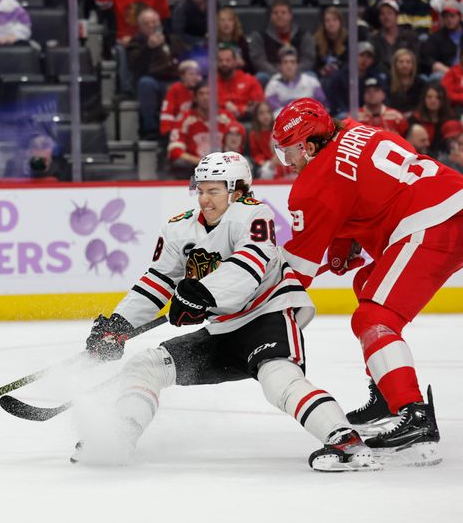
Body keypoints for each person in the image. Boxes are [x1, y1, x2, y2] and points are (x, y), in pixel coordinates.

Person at [71, 152, 378, 472]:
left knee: (278, 378)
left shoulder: (255, 215)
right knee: (145, 366)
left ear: (238, 191)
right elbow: (158, 281)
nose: (204, 198)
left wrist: (201, 295)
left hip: (266, 317)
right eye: (200, 189)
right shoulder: (179, 228)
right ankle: (120, 439)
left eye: (214, 190)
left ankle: (346, 441)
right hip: (220, 331)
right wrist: (119, 324)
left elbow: (248, 267)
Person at [272, 97, 463, 465]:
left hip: (431, 223)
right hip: (449, 198)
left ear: (310, 147)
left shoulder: (313, 184)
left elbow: (296, 275)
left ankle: (414, 413)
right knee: (367, 281)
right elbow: (358, 185)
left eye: (290, 153)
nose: (288, 162)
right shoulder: (353, 128)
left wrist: (249, 299)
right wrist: (345, 241)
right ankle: (386, 395)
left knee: (373, 318)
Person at [126, 7, 183, 139]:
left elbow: (184, 58)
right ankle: (150, 128)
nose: (152, 26)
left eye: (154, 22)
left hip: (174, 77)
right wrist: (149, 48)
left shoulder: (172, 40)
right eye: (147, 23)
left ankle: (183, 126)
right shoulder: (135, 43)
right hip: (152, 79)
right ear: (140, 27)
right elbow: (135, 67)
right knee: (146, 84)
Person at [167, 81, 237, 177]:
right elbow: (175, 150)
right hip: (195, 167)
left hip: (223, 167)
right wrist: (202, 163)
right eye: (201, 94)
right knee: (180, 164)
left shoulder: (226, 118)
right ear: (195, 98)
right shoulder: (184, 118)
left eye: (209, 93)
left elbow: (237, 147)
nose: (205, 97)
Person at [248, 0, 315, 85]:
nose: (279, 15)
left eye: (283, 13)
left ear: (290, 15)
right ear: (271, 16)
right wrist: (278, 74)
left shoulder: (304, 35)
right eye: (275, 13)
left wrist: (292, 72)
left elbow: (308, 59)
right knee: (260, 77)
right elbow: (259, 61)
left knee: (311, 76)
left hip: (298, 72)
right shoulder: (259, 36)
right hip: (271, 73)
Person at [264, 47, 326, 116]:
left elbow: (322, 104)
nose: (289, 65)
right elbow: (275, 110)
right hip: (286, 122)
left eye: (292, 62)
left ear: (297, 65)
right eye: (285, 62)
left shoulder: (311, 82)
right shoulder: (272, 86)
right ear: (279, 66)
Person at [369, 0, 419, 77]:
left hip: (407, 74)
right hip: (383, 76)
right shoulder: (374, 38)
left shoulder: (410, 36)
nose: (386, 17)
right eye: (382, 14)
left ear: (396, 16)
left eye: (389, 13)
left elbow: (415, 59)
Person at [216, 45, 264, 121]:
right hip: (220, 121)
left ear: (235, 62)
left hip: (247, 120)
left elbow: (258, 104)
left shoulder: (250, 80)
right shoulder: (212, 83)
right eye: (220, 60)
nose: (224, 63)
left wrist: (238, 109)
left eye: (228, 60)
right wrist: (225, 105)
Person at [419, 0, 463, 81]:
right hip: (446, 72)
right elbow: (427, 58)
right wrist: (436, 65)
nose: (449, 20)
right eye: (445, 17)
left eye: (452, 16)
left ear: (460, 16)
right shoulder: (436, 37)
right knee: (436, 77)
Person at [408, 84, 456, 156]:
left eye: (438, 98)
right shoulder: (415, 119)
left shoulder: (449, 120)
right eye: (429, 97)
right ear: (424, 99)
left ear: (443, 100)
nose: (433, 100)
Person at [158, 59, 201, 137]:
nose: (195, 77)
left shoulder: (201, 89)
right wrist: (168, 131)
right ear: (182, 76)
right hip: (177, 130)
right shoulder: (175, 89)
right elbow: (167, 113)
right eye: (191, 74)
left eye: (197, 74)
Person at [388, 48, 426, 116]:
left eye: (408, 62)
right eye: (401, 62)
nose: (405, 65)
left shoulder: (420, 83)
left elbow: (422, 104)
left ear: (413, 65)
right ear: (395, 64)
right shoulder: (388, 82)